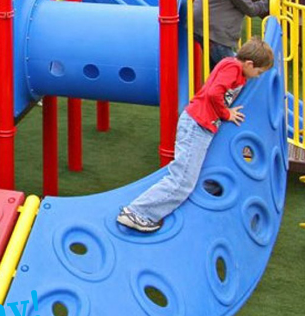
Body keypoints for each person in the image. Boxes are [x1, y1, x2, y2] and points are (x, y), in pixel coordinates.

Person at [117, 37, 274, 233]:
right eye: (258, 72)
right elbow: (213, 93)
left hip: (200, 125)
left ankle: (140, 211)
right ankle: (137, 212)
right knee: (182, 181)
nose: (257, 77)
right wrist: (226, 113)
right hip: (197, 125)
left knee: (186, 177)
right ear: (249, 64)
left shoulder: (232, 66)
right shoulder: (233, 68)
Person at [193, 0, 287, 69]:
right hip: (215, 31)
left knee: (218, 68)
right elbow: (251, 10)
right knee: (234, 69)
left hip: (201, 25)